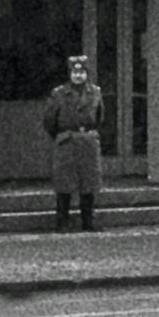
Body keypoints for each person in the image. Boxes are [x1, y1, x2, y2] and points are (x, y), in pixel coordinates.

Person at [42, 54, 103, 231]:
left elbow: (99, 116)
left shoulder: (95, 92)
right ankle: (62, 222)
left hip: (87, 142)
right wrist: (62, 136)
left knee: (88, 184)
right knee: (64, 185)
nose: (78, 75)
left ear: (87, 74)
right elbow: (49, 121)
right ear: (69, 74)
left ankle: (88, 221)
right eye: (75, 72)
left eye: (82, 72)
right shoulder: (59, 94)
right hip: (67, 142)